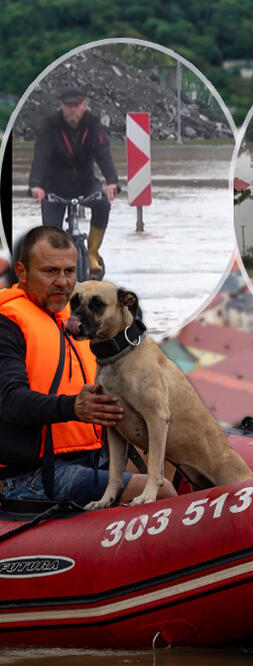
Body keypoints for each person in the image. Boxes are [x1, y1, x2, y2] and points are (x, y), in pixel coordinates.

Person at [0, 226, 174, 505]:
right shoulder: (7, 324)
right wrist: (74, 407)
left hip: (92, 456)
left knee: (172, 452)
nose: (62, 282)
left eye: (69, 271)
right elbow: (9, 401)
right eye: (50, 271)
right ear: (21, 273)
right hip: (32, 476)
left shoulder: (84, 318)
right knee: (163, 491)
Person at [28, 88, 119, 280]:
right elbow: (41, 156)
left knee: (103, 204)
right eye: (67, 106)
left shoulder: (93, 124)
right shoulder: (50, 125)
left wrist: (112, 181)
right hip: (55, 185)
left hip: (85, 182)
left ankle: (93, 253)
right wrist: (36, 185)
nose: (71, 111)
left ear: (84, 106)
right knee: (51, 232)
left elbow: (103, 153)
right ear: (61, 107)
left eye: (75, 106)